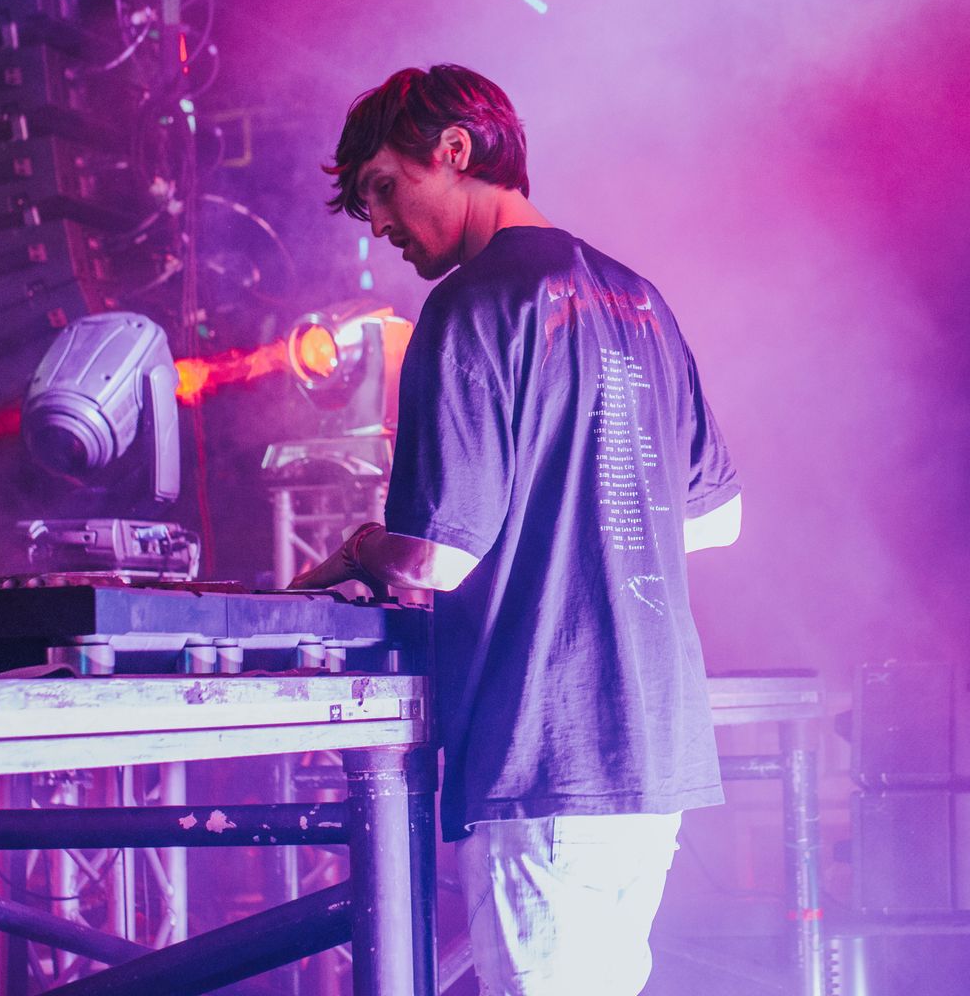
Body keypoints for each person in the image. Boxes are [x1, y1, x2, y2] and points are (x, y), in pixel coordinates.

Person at [291, 64, 743, 996]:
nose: (377, 224)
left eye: (384, 187)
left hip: (544, 753)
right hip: (653, 755)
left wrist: (360, 549)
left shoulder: (469, 307)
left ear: (453, 151)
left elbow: (434, 559)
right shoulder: (641, 301)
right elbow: (717, 520)